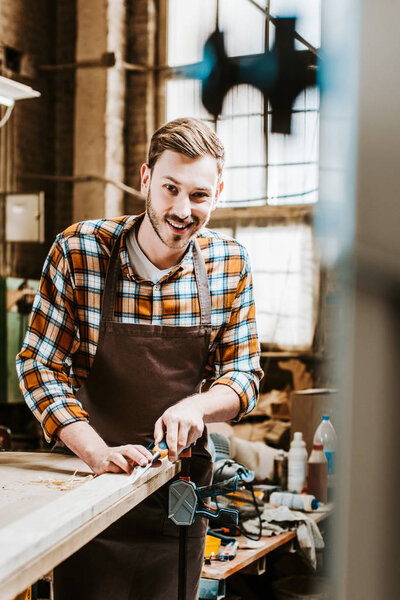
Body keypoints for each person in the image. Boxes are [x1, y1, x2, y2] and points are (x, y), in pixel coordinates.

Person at [16, 117, 263, 600]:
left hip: (177, 493)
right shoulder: (80, 250)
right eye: (170, 188)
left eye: (198, 195)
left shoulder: (229, 263)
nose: (180, 209)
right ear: (146, 178)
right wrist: (94, 451)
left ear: (218, 192)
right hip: (85, 489)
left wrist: (196, 407)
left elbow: (244, 374)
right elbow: (38, 366)